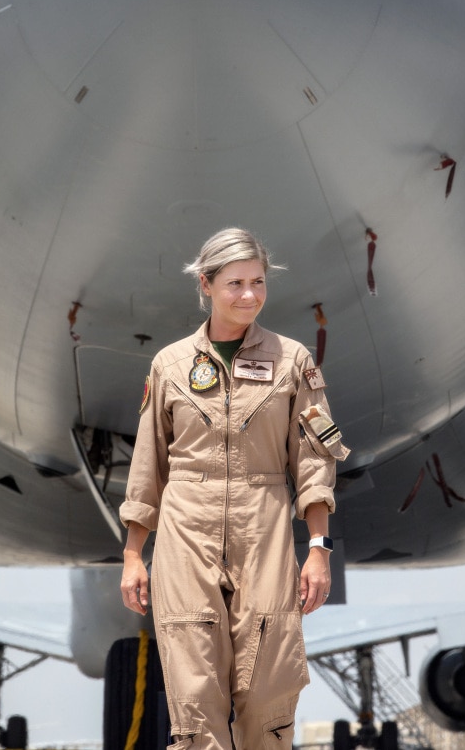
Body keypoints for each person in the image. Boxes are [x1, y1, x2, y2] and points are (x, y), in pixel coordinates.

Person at [120, 227, 349, 750]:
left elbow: (314, 463)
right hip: (185, 535)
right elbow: (148, 466)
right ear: (205, 284)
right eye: (235, 284)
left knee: (269, 687)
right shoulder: (171, 366)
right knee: (195, 695)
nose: (249, 296)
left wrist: (318, 549)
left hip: (264, 530)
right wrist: (134, 554)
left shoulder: (294, 362)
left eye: (258, 282)